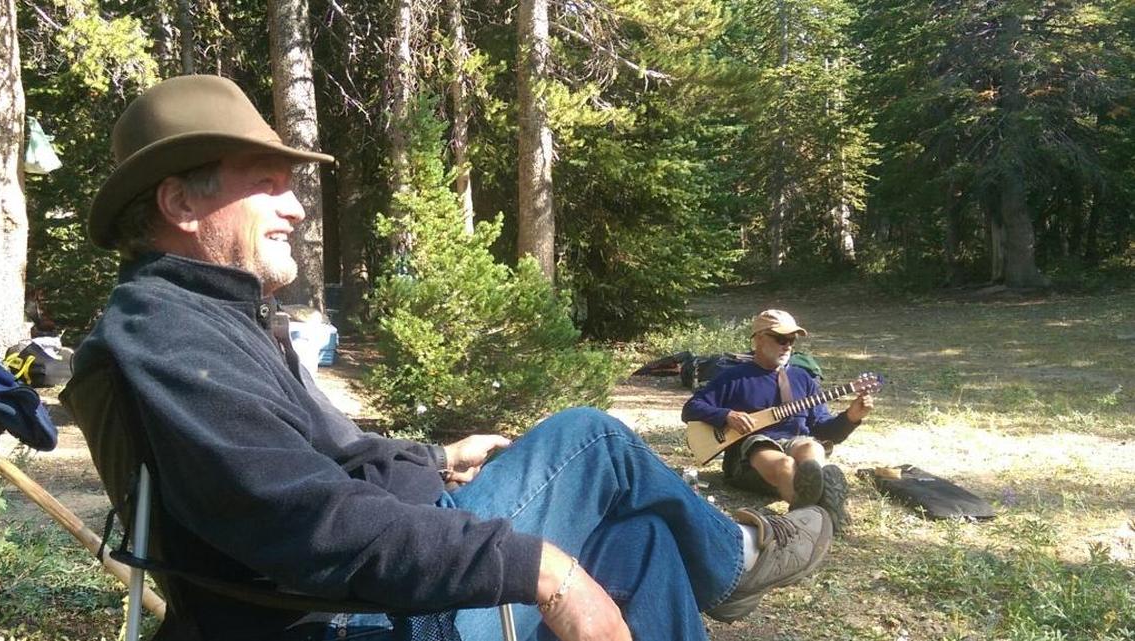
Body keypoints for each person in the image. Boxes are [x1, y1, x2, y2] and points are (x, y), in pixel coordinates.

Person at [60, 75, 833, 641]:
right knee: (589, 439)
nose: (296, 206)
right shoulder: (169, 336)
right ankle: (735, 560)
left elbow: (327, 459)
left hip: (351, 587)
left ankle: (719, 556)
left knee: (644, 542)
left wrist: (437, 457)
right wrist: (542, 567)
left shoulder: (210, 316)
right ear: (181, 203)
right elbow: (310, 522)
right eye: (268, 185)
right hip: (341, 617)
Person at [681, 310, 874, 532]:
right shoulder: (733, 377)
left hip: (794, 440)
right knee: (785, 464)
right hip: (749, 456)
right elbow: (691, 409)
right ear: (760, 339)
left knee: (812, 446)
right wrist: (727, 415)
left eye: (791, 341)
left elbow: (824, 430)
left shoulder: (804, 378)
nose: (788, 346)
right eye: (781, 339)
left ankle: (818, 495)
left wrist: (851, 417)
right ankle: (816, 509)